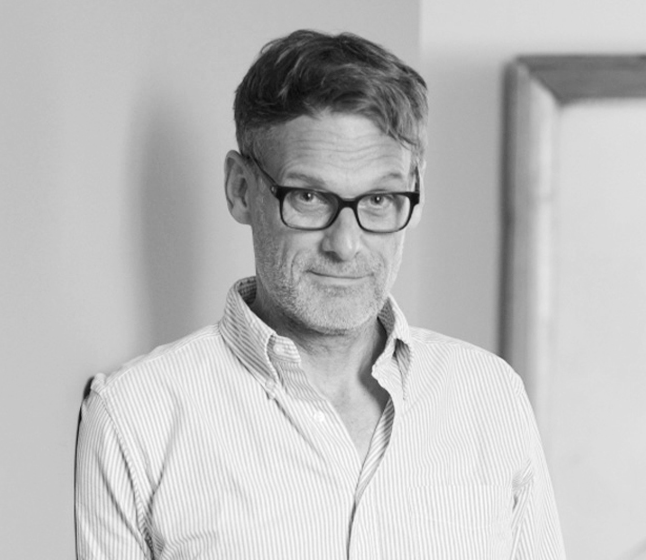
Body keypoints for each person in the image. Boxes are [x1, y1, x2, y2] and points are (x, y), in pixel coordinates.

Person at [75, 29, 566, 559]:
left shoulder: (490, 396)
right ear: (241, 189)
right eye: (309, 196)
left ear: (416, 194)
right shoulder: (133, 416)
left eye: (379, 199)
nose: (346, 245)